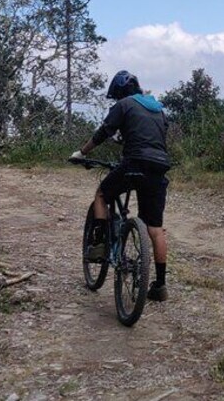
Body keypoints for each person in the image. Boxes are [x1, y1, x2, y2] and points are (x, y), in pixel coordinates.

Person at [71, 70, 171, 301]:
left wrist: (81, 152)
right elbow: (150, 138)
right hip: (159, 168)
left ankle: (98, 245)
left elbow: (104, 132)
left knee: (102, 195)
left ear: (119, 93)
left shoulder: (124, 104)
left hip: (134, 163)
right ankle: (160, 286)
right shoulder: (158, 109)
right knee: (155, 228)